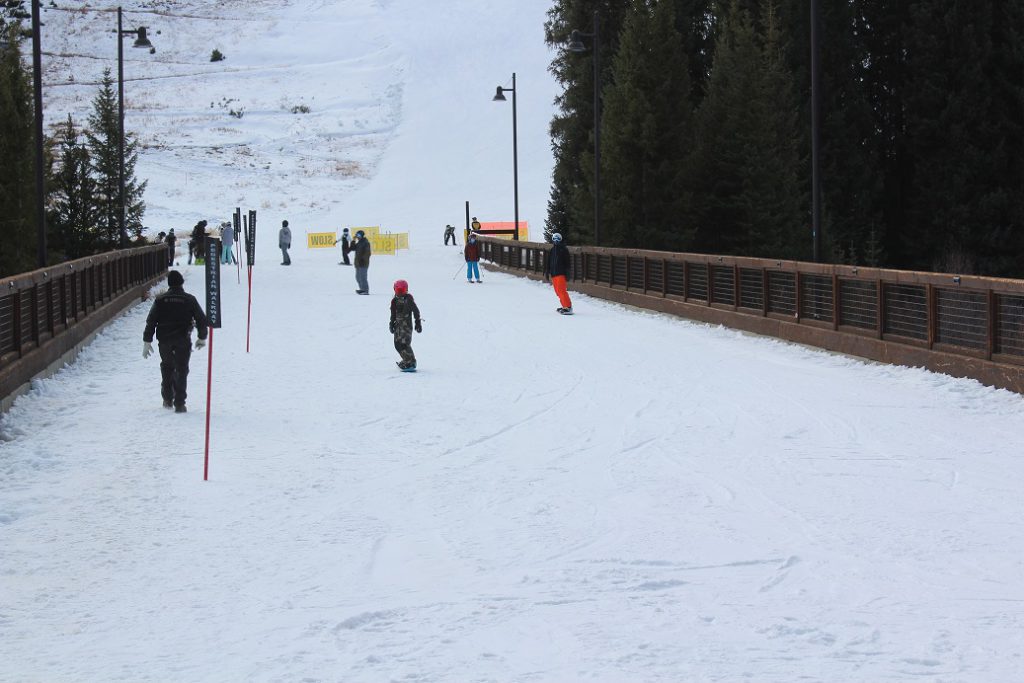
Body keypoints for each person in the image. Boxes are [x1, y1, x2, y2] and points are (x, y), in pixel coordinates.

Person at [142, 270, 209, 413]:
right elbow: (201, 319)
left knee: (167, 368)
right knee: (182, 369)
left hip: (164, 340)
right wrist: (202, 337)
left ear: (169, 283)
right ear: (182, 283)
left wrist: (147, 341)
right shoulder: (189, 299)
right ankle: (180, 403)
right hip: (183, 339)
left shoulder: (160, 300)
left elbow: (151, 321)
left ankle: (167, 398)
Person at [389, 279, 422, 371]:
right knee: (397, 344)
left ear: (406, 290)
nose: (400, 293)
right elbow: (393, 314)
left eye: (402, 291)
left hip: (406, 327)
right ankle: (407, 359)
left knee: (404, 344)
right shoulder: (394, 301)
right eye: (398, 291)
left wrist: (418, 322)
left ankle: (411, 362)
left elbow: (416, 311)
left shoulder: (408, 300)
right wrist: (391, 324)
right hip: (398, 326)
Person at [543, 232, 573, 315]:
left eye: (558, 239)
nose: (556, 240)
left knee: (561, 290)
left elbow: (567, 262)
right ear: (552, 239)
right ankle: (564, 306)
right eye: (554, 239)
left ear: (560, 239)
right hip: (554, 274)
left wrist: (567, 272)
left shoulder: (563, 249)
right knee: (557, 291)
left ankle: (568, 307)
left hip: (560, 273)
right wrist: (547, 271)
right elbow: (549, 261)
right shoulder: (552, 250)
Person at [352, 229, 371, 294]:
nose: (357, 236)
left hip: (363, 263)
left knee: (363, 278)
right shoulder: (359, 243)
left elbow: (367, 253)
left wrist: (363, 260)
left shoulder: (366, 243)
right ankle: (362, 289)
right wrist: (353, 241)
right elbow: (352, 248)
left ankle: (365, 290)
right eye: (357, 235)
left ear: (362, 236)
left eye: (359, 235)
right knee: (358, 277)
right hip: (358, 263)